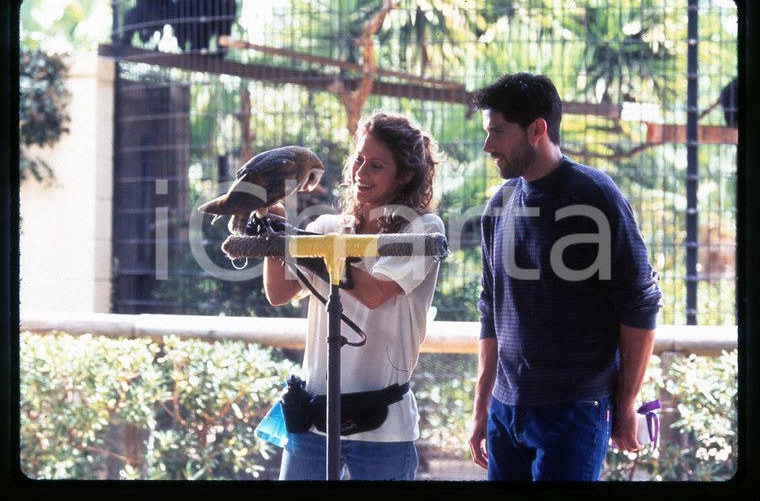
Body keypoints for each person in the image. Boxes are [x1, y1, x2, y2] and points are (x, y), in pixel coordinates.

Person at [467, 73, 662, 481]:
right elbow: (491, 312)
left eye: (498, 132)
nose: (488, 146)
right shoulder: (498, 207)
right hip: (505, 411)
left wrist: (626, 403)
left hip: (575, 410)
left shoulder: (595, 195)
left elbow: (640, 305)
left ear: (537, 130)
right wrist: (481, 407)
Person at [263, 110, 444, 480]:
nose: (361, 173)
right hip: (312, 426)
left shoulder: (423, 230)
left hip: (383, 432)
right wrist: (273, 232)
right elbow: (279, 292)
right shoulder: (328, 229)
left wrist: (304, 247)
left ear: (406, 174)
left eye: (376, 165)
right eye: (359, 160)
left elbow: (375, 292)